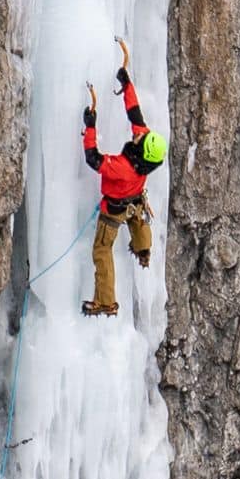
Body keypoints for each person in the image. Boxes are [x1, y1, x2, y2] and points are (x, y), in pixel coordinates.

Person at [80, 67, 167, 317]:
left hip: (114, 211)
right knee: (137, 219)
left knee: (102, 250)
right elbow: (135, 114)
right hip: (135, 202)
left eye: (142, 139)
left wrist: (91, 127)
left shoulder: (122, 168)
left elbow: (93, 159)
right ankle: (144, 250)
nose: (139, 136)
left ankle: (105, 301)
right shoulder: (146, 156)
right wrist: (127, 84)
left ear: (142, 150)